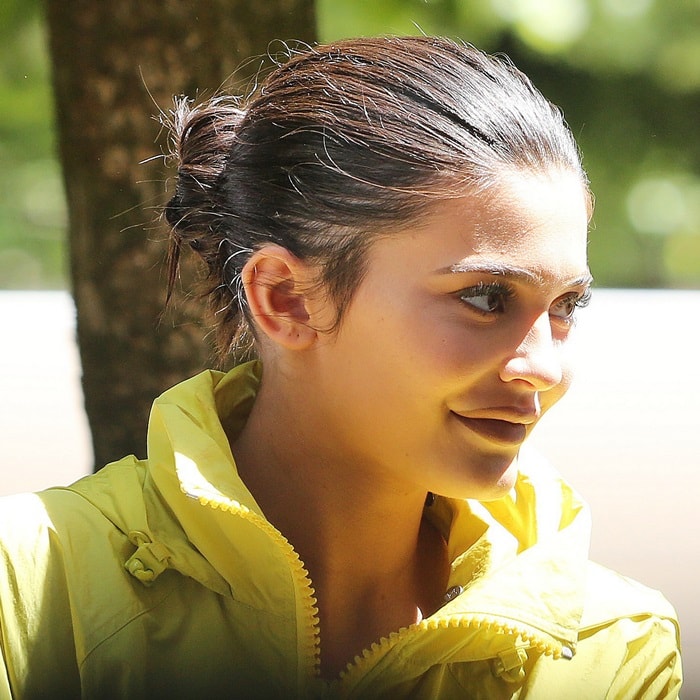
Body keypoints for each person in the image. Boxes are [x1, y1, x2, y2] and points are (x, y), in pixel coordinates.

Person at [0, 36, 681, 699]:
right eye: (484, 297)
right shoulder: (30, 594)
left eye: (567, 306)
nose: (543, 368)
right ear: (286, 298)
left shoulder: (611, 649)